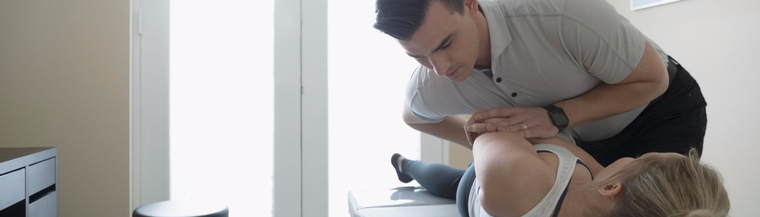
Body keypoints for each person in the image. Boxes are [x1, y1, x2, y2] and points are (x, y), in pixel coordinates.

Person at [375, 0, 707, 166]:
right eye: (418, 56)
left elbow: (653, 79)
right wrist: (481, 145)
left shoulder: (561, 13)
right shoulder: (433, 81)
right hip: (577, 143)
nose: (440, 67)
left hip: (658, 109)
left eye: (445, 44)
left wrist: (554, 116)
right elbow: (413, 115)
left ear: (470, 4)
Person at [389, 118, 729, 217]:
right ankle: (407, 166)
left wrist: (535, 131)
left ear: (614, 188)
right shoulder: (598, 188)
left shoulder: (522, 183)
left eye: (639, 159)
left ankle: (407, 164)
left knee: (451, 182)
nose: (630, 157)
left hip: (475, 191)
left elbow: (485, 132)